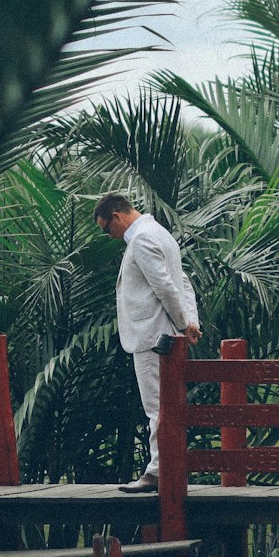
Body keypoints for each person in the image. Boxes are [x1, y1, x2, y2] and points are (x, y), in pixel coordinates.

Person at [93, 193, 201, 493]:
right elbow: (183, 281)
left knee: (157, 407)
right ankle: (165, 468)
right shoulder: (160, 233)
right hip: (165, 333)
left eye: (107, 229)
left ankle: (156, 472)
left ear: (116, 215)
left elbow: (167, 286)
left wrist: (183, 324)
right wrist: (190, 322)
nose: (110, 236)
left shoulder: (140, 239)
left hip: (153, 336)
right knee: (164, 405)